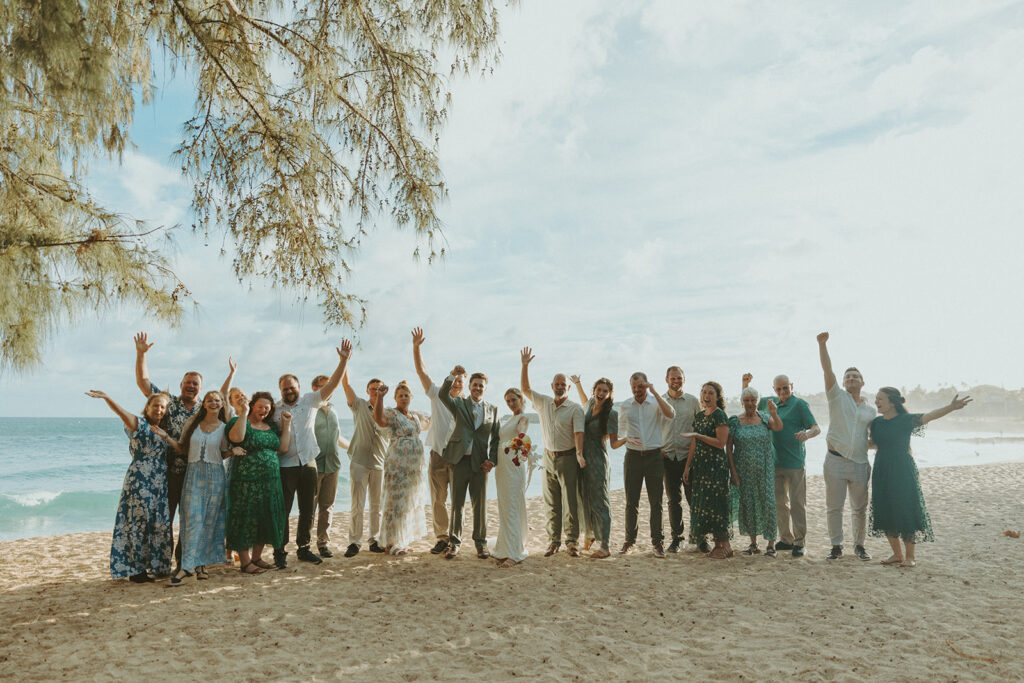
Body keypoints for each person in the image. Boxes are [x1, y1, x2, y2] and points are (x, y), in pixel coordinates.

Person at [133, 332, 234, 571]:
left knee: (190, 521)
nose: (191, 386)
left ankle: (184, 563)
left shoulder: (206, 409)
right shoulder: (168, 401)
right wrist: (141, 354)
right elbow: (144, 383)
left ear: (200, 388)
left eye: (195, 384)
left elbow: (226, 408)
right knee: (162, 521)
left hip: (194, 473)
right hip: (166, 472)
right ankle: (159, 564)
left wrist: (232, 376)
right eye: (187, 382)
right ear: (181, 385)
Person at [272, 341, 352, 568]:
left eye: (292, 387)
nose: (289, 391)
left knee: (308, 509)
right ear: (281, 391)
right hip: (285, 466)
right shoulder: (276, 410)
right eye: (285, 389)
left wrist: (343, 361)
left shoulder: (310, 400)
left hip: (308, 463)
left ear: (298, 386)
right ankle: (280, 551)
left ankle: (304, 548)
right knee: (283, 511)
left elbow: (334, 385)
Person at [870, 388, 970, 567]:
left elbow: (930, 416)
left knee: (905, 510)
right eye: (876, 399)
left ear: (892, 402)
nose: (876, 402)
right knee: (884, 509)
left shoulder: (905, 420)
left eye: (880, 399)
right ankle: (897, 554)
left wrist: (951, 407)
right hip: (881, 469)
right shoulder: (876, 423)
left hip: (902, 469)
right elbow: (873, 444)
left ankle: (910, 557)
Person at [86, 389, 174, 583]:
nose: (159, 409)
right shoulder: (139, 424)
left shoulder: (165, 431)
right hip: (140, 480)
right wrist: (108, 398)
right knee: (138, 523)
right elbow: (121, 413)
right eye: (155, 405)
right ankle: (136, 570)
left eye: (162, 407)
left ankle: (158, 565)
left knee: (158, 523)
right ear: (148, 407)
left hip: (159, 482)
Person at [742, 373, 820, 557]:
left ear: (792, 386)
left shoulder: (800, 404)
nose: (782, 391)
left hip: (794, 462)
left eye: (785, 387)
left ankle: (800, 542)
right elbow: (748, 403)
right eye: (779, 388)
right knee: (779, 503)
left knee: (797, 503)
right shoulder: (770, 402)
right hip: (775, 463)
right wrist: (745, 384)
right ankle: (786, 539)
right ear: (774, 390)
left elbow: (816, 427)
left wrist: (807, 435)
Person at [520, 348, 585, 557]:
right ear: (551, 386)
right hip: (548, 458)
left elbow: (579, 433)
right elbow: (525, 388)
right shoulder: (543, 403)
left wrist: (580, 454)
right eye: (556, 384)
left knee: (570, 503)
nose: (559, 387)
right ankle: (553, 541)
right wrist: (525, 365)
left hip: (568, 457)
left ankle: (572, 542)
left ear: (568, 388)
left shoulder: (575, 409)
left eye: (563, 385)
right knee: (551, 503)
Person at [817, 332, 876, 561]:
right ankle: (836, 546)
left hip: (860, 463)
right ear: (843, 382)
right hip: (834, 461)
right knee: (834, 507)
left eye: (855, 376)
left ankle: (859, 546)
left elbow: (874, 436)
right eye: (848, 377)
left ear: (862, 382)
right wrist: (822, 345)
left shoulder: (870, 410)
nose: (851, 379)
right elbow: (827, 369)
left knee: (859, 508)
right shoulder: (836, 397)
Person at [226, 391, 292, 574]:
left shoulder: (270, 426)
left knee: (264, 517)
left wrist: (286, 426)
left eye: (267, 407)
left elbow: (283, 447)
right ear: (252, 405)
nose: (263, 410)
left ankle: (257, 558)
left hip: (270, 481)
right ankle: (245, 562)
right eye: (260, 406)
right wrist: (244, 413)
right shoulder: (239, 422)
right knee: (244, 518)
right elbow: (236, 439)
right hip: (245, 480)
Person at [438, 365, 500, 559]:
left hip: (480, 464)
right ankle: (455, 543)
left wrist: (492, 460)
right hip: (459, 460)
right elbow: (442, 395)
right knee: (457, 505)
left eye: (481, 385)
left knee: (479, 505)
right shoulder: (459, 404)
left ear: (485, 388)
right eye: (474, 385)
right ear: (470, 386)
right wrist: (453, 375)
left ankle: (481, 544)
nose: (477, 388)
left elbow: (496, 438)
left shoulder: (493, 409)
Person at [411, 327, 463, 555]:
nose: (457, 385)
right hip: (438, 455)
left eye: (461, 382)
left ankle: (455, 538)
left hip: (460, 457)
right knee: (438, 500)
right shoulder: (436, 393)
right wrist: (417, 348)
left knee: (458, 501)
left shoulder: (467, 403)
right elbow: (422, 372)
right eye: (455, 381)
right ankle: (441, 537)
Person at [172, 390, 232, 584]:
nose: (214, 403)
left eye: (217, 400)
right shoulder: (192, 424)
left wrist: (233, 451)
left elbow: (222, 453)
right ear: (204, 404)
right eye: (209, 400)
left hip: (215, 476)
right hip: (193, 474)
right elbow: (182, 448)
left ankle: (201, 565)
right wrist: (166, 437)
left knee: (209, 521)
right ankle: (186, 566)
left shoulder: (224, 427)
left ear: (222, 404)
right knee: (191, 521)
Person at [617, 372, 676, 557]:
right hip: (633, 456)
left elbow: (671, 414)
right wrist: (625, 438)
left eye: (641, 386)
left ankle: (657, 542)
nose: (637, 390)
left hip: (654, 457)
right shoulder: (626, 405)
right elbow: (619, 431)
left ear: (647, 385)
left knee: (656, 502)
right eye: (634, 387)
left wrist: (655, 392)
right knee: (631, 502)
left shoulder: (656, 401)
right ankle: (629, 541)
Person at [373, 381, 430, 555]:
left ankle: (402, 539)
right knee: (395, 502)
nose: (403, 398)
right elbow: (379, 420)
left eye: (406, 395)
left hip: (414, 465)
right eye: (400, 396)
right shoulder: (392, 413)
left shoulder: (415, 416)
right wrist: (379, 399)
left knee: (408, 502)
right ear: (395, 398)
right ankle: (391, 543)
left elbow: (432, 422)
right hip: (398, 463)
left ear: (411, 397)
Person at [571, 377, 623, 559]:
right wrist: (578, 384)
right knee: (584, 498)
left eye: (605, 391)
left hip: (598, 461)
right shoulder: (591, 404)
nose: (601, 394)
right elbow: (584, 401)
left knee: (600, 501)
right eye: (598, 390)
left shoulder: (611, 414)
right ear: (594, 390)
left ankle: (605, 546)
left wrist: (629, 438)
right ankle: (590, 535)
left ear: (609, 394)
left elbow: (615, 443)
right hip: (582, 459)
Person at [727, 387, 783, 557]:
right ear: (742, 402)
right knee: (748, 505)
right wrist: (733, 472)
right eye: (747, 400)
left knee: (768, 503)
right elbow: (728, 448)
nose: (750, 403)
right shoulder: (735, 421)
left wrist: (774, 413)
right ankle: (753, 543)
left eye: (753, 400)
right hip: (743, 470)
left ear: (757, 401)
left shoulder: (765, 418)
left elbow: (778, 427)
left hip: (765, 469)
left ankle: (771, 544)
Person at [683, 381, 736, 559]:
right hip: (700, 466)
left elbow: (720, 443)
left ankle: (725, 545)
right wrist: (688, 466)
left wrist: (699, 436)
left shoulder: (719, 415)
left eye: (711, 393)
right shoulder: (699, 416)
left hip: (715, 466)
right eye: (704, 392)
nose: (707, 396)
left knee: (717, 505)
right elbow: (693, 443)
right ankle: (718, 545)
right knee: (705, 506)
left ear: (717, 396)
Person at [341, 368, 390, 557]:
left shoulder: (388, 413)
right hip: (360, 461)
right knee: (357, 505)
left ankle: (374, 540)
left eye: (380, 389)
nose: (376, 392)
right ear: (367, 390)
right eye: (372, 389)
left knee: (377, 506)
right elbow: (345, 385)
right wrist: (344, 362)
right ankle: (354, 542)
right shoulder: (359, 405)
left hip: (379, 462)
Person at [659, 366, 700, 553]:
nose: (676, 381)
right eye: (673, 378)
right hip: (667, 457)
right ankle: (677, 538)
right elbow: (653, 428)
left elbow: (699, 429)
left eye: (679, 378)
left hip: (688, 457)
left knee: (694, 500)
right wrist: (658, 448)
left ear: (684, 379)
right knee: (673, 500)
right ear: (666, 379)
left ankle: (700, 537)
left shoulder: (693, 402)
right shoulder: (659, 401)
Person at [311, 374, 352, 559]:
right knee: (309, 507)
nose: (327, 389)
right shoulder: (310, 410)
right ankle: (303, 543)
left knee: (327, 507)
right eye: (322, 386)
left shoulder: (334, 411)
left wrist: (354, 447)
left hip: (333, 464)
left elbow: (338, 437)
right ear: (315, 389)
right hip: (314, 465)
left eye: (329, 386)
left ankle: (323, 543)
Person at [493, 388, 532, 567]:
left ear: (521, 399)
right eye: (507, 401)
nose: (510, 403)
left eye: (513, 400)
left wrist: (521, 439)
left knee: (512, 506)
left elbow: (522, 436)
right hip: (502, 467)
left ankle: (514, 552)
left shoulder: (522, 418)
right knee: (505, 505)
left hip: (513, 466)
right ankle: (504, 547)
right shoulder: (509, 417)